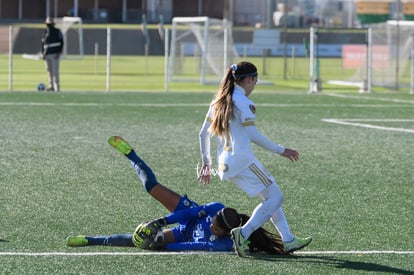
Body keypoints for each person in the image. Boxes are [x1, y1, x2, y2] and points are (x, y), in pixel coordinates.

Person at [66, 136, 286, 254]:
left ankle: (90, 240)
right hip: (186, 215)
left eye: (215, 229)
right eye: (213, 223)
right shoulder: (214, 209)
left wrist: (162, 245)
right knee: (151, 186)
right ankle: (131, 154)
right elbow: (189, 214)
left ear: (226, 233)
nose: (211, 227)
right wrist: (160, 221)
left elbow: (194, 246)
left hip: (183, 235)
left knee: (143, 240)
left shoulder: (223, 245)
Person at [198, 61, 312, 257]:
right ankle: (243, 234)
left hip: (224, 164)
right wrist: (281, 150)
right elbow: (253, 135)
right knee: (276, 197)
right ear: (249, 79)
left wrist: (207, 164)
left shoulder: (218, 100)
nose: (254, 86)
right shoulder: (243, 102)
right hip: (242, 160)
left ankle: (288, 240)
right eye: (255, 81)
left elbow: (203, 134)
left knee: (270, 198)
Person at [41, 17, 64, 91]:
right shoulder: (45, 32)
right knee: (49, 71)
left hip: (55, 54)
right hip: (47, 54)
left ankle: (56, 86)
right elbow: (43, 44)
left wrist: (59, 52)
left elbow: (61, 42)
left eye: (50, 24)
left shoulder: (57, 32)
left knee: (55, 71)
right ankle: (51, 86)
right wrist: (43, 53)